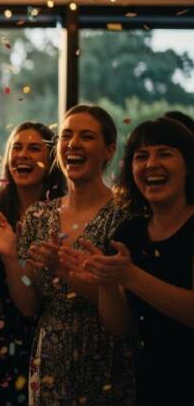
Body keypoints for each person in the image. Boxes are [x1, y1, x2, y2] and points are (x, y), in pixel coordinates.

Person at [1, 105, 135, 405]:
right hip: (50, 353)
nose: (73, 144)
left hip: (104, 353)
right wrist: (10, 256)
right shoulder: (39, 214)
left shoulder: (125, 215)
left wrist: (63, 271)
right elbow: (29, 305)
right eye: (66, 136)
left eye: (86, 137)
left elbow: (122, 313)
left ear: (109, 150)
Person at [59, 117, 194, 405]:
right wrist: (106, 282)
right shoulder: (130, 232)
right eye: (141, 156)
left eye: (165, 154)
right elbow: (119, 325)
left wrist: (130, 276)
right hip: (150, 381)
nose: (151, 164)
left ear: (189, 165)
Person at [0, 122, 64, 405]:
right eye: (16, 148)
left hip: (44, 329)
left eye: (34, 148)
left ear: (51, 160)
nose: (22, 155)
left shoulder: (63, 212)